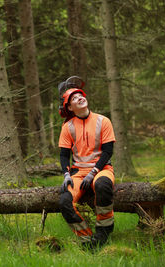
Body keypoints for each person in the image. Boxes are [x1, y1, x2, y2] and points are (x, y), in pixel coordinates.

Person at [57, 76, 116, 249]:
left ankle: (104, 231)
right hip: (78, 172)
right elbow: (63, 155)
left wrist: (93, 172)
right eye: (74, 98)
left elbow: (107, 151)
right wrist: (66, 174)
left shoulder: (103, 121)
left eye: (80, 95)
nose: (80, 98)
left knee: (103, 186)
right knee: (64, 202)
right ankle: (87, 240)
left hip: (102, 169)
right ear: (69, 107)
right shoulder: (67, 127)